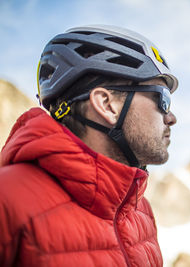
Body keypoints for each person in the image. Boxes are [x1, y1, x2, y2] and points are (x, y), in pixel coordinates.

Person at [0, 25, 178, 266]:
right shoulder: (8, 198)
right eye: (162, 100)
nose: (171, 117)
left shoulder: (139, 209)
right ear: (106, 104)